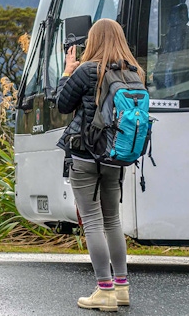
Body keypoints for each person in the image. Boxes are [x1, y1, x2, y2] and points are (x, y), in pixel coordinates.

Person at [55, 19, 143, 311]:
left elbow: (62, 105)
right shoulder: (134, 72)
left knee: (92, 221)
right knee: (113, 220)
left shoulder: (86, 69)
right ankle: (121, 288)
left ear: (93, 40)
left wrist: (66, 73)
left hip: (85, 154)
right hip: (116, 155)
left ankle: (104, 291)